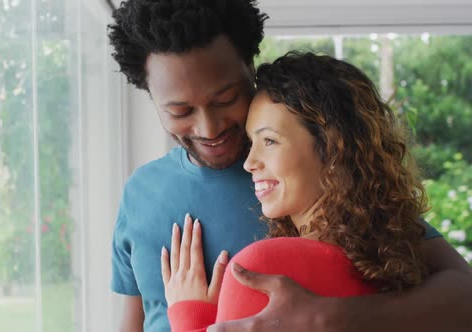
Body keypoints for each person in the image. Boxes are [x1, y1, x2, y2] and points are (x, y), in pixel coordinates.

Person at [107, 0, 472, 331]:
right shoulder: (139, 193)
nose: (210, 128)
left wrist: (327, 318)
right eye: (180, 111)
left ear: (250, 68)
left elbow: (462, 292)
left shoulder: (308, 177)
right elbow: (133, 322)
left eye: (226, 98)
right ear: (150, 96)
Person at [161, 51, 428, 331]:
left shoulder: (263, 269)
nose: (250, 163)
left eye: (270, 141)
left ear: (332, 149)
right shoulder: (398, 264)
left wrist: (189, 317)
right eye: (252, 143)